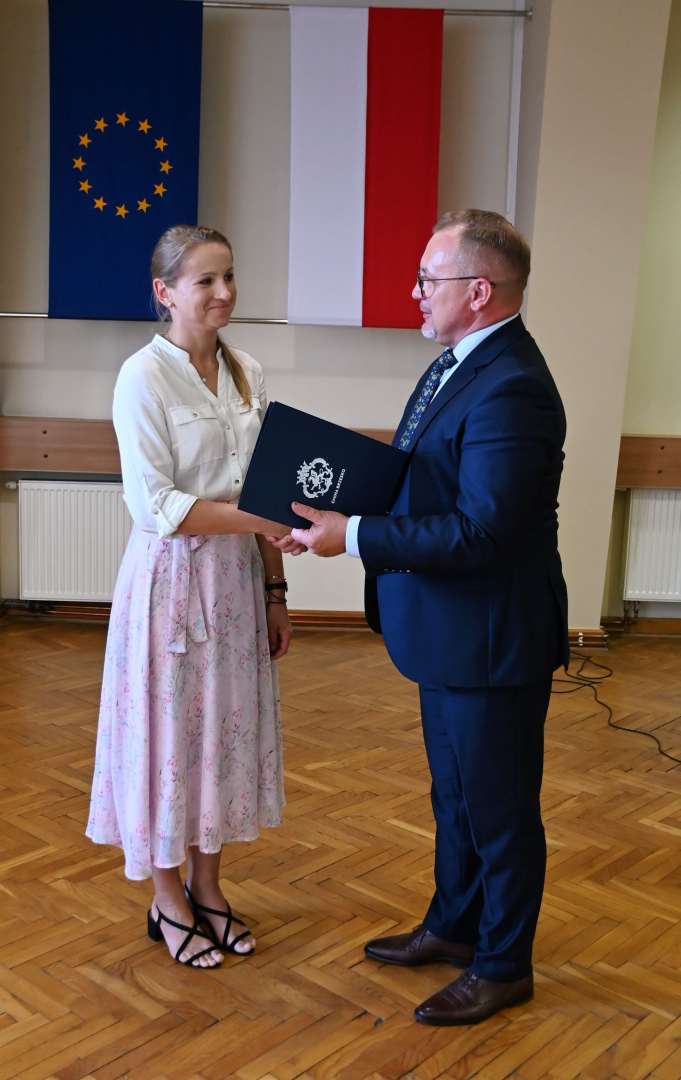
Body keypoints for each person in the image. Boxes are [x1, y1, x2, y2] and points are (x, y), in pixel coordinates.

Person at [270, 210, 568, 1024]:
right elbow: (419, 477)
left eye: (429, 279)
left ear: (480, 291)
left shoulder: (512, 386)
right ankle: (456, 926)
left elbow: (482, 532)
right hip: (450, 635)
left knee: (500, 812)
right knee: (457, 798)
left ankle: (503, 965)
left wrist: (353, 536)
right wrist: (326, 511)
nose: (416, 293)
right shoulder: (457, 363)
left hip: (492, 642)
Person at [87, 224, 298, 969]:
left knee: (221, 740)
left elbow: (266, 486)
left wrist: (276, 589)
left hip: (237, 581)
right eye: (206, 280)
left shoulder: (248, 371)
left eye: (229, 276)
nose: (224, 292)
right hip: (171, 587)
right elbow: (157, 507)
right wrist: (260, 520)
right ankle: (166, 896)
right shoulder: (142, 376)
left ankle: (209, 887)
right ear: (165, 292)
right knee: (168, 740)